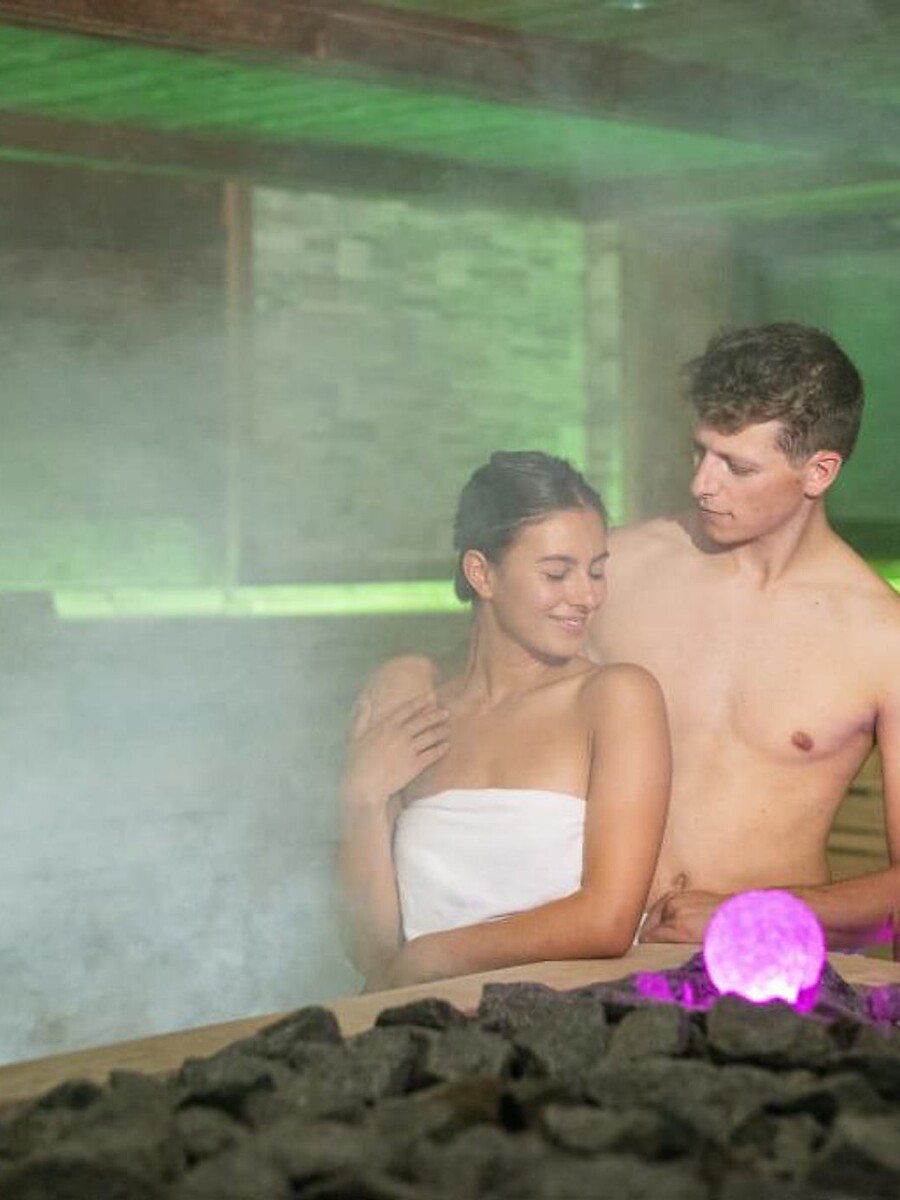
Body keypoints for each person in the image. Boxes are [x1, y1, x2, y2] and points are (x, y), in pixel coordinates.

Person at [587, 322, 900, 951]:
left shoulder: (881, 637)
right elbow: (491, 699)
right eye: (699, 452)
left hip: (763, 967)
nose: (703, 483)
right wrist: (413, 675)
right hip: (595, 951)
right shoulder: (616, 568)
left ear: (819, 471)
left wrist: (748, 913)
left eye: (737, 466)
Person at [339, 451, 670, 990]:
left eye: (596, 571)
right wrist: (360, 798)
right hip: (425, 1017)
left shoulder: (614, 698)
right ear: (481, 574)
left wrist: (436, 957)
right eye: (557, 573)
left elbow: (608, 920)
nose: (587, 596)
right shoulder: (416, 708)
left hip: (570, 1011)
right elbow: (372, 952)